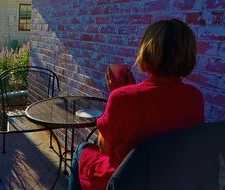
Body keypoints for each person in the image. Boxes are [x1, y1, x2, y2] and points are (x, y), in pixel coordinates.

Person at [68, 19, 205, 190]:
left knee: (83, 149)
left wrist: (118, 93)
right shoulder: (194, 97)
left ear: (147, 52)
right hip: (167, 179)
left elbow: (104, 149)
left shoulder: (122, 98)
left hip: (123, 181)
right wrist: (127, 91)